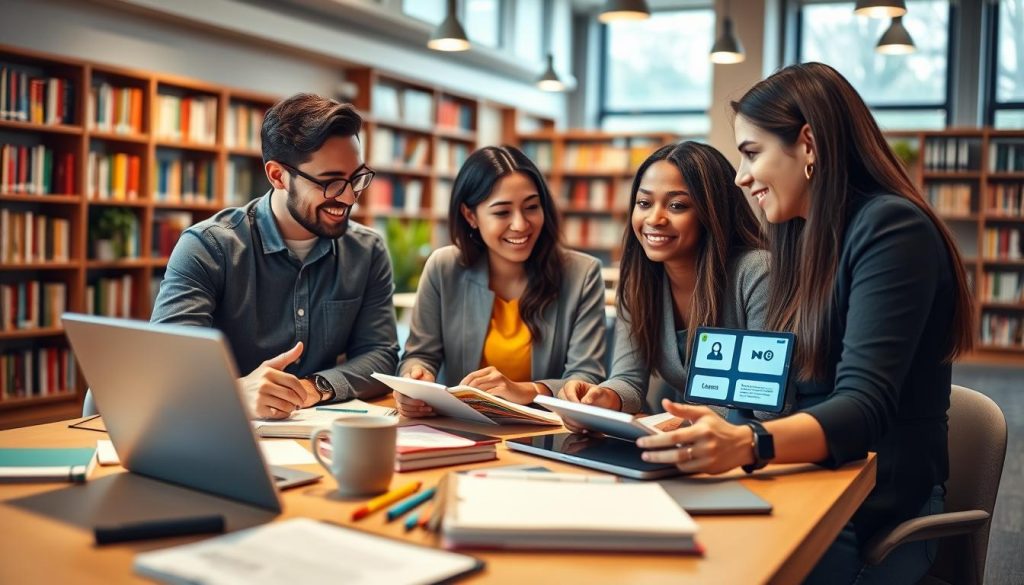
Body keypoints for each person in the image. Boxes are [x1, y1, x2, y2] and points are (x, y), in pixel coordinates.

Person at [636, 63, 973, 584]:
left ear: (809, 145)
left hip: (875, 499)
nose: (740, 177)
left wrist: (748, 443)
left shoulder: (892, 229)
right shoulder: (801, 240)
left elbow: (863, 408)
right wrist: (722, 427)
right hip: (810, 476)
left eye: (751, 153)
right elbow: (794, 386)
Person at [150, 93, 399, 420]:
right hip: (221, 429)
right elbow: (168, 365)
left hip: (318, 435)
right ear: (277, 175)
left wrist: (314, 387)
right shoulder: (208, 247)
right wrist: (237, 392)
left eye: (356, 178)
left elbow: (380, 354)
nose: (350, 196)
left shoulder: (367, 251)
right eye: (332, 182)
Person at [558, 141, 768, 416]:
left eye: (677, 205)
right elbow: (629, 380)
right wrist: (604, 397)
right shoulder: (638, 284)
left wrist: (678, 425)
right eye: (644, 203)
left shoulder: (758, 272)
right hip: (685, 439)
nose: (654, 218)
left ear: (712, 211)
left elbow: (765, 403)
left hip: (756, 445)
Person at [394, 145, 606, 415]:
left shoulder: (582, 274)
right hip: (459, 428)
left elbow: (586, 377)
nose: (520, 224)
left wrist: (527, 390)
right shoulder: (443, 267)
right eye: (502, 212)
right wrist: (415, 380)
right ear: (470, 216)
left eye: (531, 207)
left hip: (547, 436)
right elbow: (420, 354)